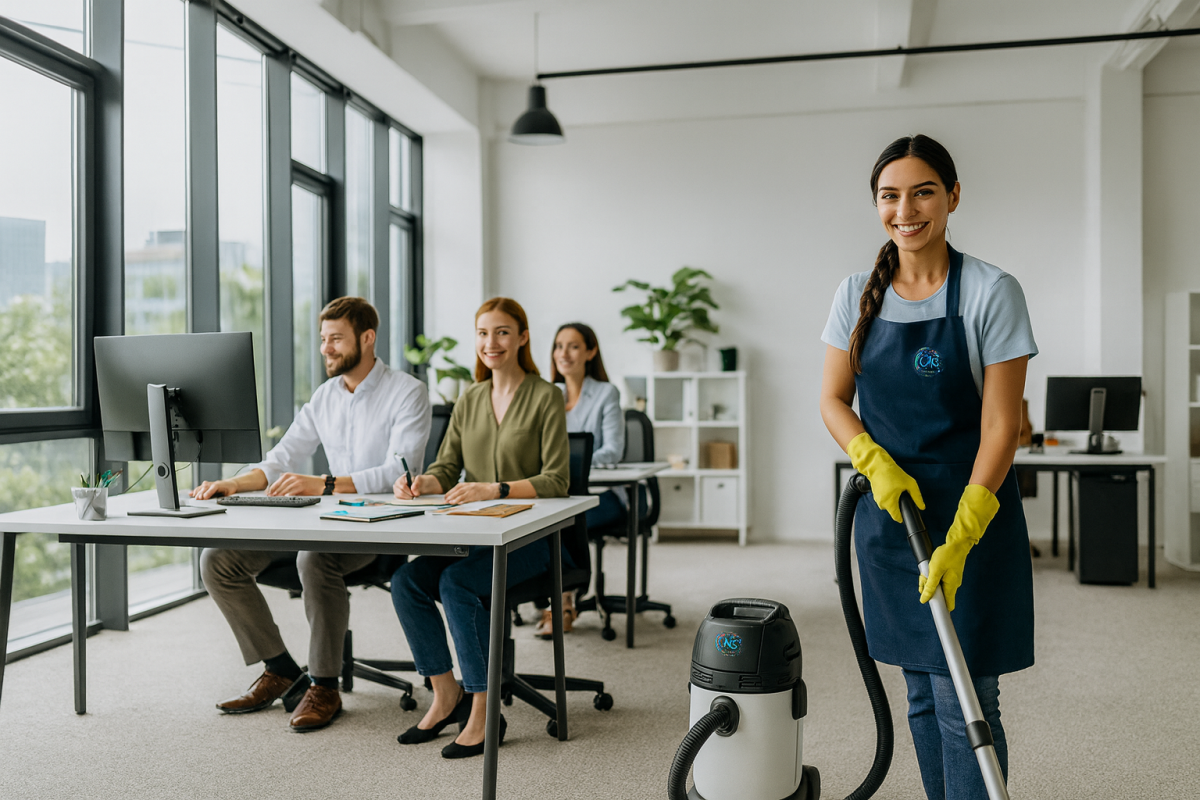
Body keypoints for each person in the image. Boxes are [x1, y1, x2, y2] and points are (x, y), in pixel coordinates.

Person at [818, 135, 1037, 800]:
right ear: (876, 204)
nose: (905, 208)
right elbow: (832, 399)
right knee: (917, 686)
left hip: (975, 509)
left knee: (963, 693)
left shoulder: (992, 291)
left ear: (953, 197)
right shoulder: (856, 293)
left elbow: (1003, 424)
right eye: (890, 195)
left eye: (923, 192)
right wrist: (871, 461)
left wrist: (966, 528)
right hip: (892, 519)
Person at [191, 297, 431, 732]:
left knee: (313, 557)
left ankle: (324, 684)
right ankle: (282, 668)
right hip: (320, 526)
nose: (327, 349)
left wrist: (322, 484)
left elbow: (401, 468)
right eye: (323, 340)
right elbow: (283, 457)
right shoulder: (325, 397)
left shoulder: (407, 392)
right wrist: (235, 483)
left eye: (336, 339)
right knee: (217, 559)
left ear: (367, 338)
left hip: (377, 531)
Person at [390, 297, 569, 759]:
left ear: (523, 337)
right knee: (407, 580)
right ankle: (445, 691)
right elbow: (447, 467)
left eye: (503, 332)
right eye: (484, 333)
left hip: (532, 540)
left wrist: (495, 489)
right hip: (476, 536)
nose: (492, 343)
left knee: (456, 582)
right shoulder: (469, 397)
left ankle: (486, 710)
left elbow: (557, 479)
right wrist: (420, 482)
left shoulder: (545, 395)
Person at [537, 321, 625, 637]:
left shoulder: (605, 393)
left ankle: (562, 601)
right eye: (559, 346)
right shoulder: (548, 395)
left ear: (590, 351)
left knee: (561, 521)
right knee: (537, 518)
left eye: (573, 346)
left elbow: (613, 451)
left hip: (603, 495)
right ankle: (553, 594)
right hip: (559, 493)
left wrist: (569, 464)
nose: (564, 353)